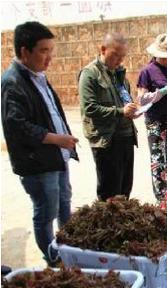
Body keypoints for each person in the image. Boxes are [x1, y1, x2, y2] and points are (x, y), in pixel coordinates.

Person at [1, 21, 79, 266]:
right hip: (38, 163)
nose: (49, 58)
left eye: (50, 51)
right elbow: (18, 126)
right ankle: (53, 258)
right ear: (25, 52)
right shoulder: (12, 82)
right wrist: (57, 139)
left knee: (64, 203)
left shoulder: (38, 77)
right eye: (44, 51)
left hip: (57, 157)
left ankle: (69, 249)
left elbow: (51, 111)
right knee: (46, 212)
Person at [78, 33, 138, 201]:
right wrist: (120, 111)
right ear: (103, 50)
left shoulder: (119, 74)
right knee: (109, 194)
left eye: (122, 56)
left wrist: (133, 110)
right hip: (107, 140)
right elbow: (90, 108)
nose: (119, 60)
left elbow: (126, 100)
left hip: (126, 137)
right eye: (115, 55)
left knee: (125, 189)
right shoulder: (90, 74)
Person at [137, 33, 167, 209]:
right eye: (165, 57)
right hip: (155, 121)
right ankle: (160, 197)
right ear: (156, 53)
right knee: (158, 158)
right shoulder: (147, 72)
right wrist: (163, 91)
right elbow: (142, 100)